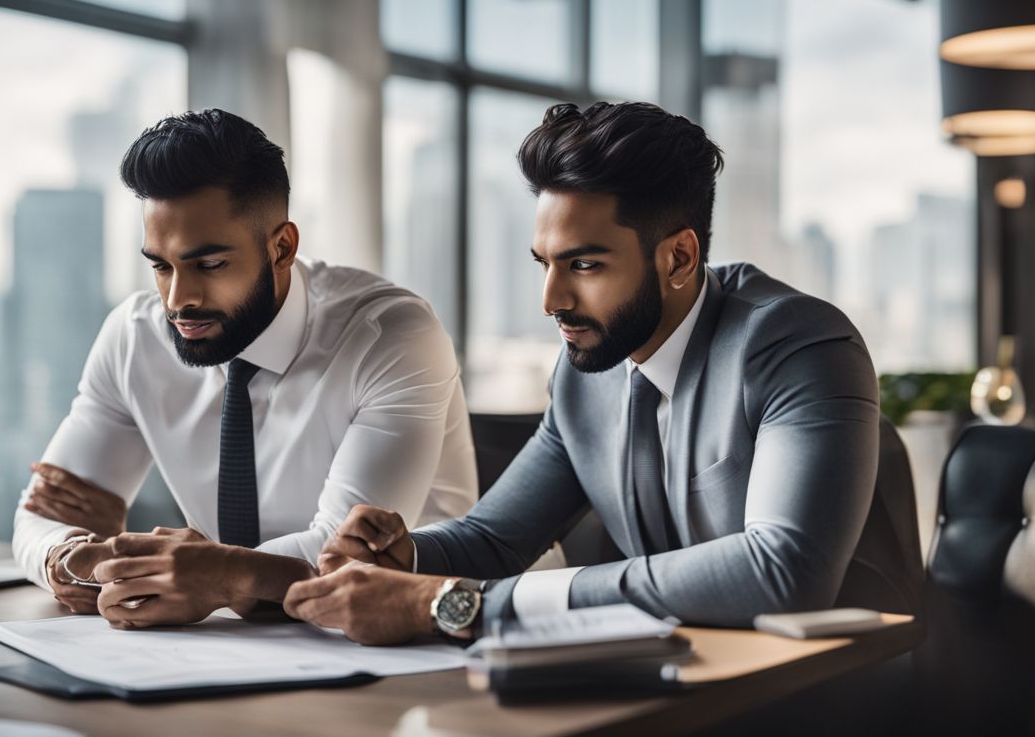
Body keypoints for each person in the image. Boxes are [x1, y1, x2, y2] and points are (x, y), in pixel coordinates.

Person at [283, 101, 921, 645]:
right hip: (678, 680)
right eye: (545, 264)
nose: (552, 300)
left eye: (585, 266)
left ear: (678, 257)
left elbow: (783, 573)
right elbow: (497, 536)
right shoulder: (587, 371)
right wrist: (407, 556)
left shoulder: (799, 344)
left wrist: (459, 604)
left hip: (835, 693)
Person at [12, 109, 478, 628]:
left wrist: (207, 573)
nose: (178, 300)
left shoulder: (390, 334)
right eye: (161, 267)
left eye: (209, 265)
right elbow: (44, 519)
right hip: (225, 644)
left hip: (428, 636)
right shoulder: (134, 336)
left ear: (281, 247)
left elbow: (344, 556)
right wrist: (67, 558)